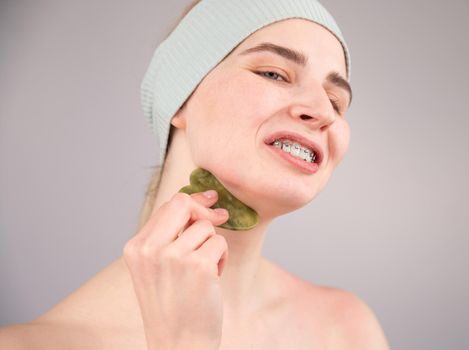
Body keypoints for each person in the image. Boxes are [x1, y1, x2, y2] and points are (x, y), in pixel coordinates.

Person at [0, 0, 390, 349]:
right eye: (274, 74)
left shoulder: (347, 329)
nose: (322, 111)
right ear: (182, 96)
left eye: (337, 102)